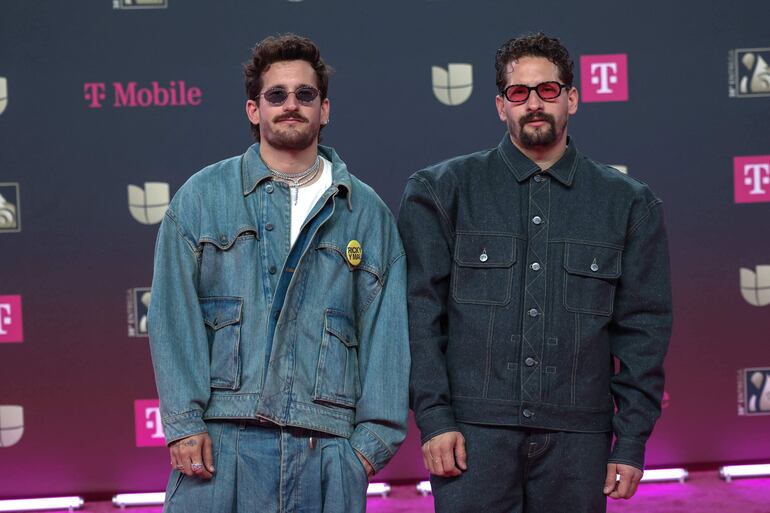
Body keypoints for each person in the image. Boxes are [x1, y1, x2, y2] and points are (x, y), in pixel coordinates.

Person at [398, 32, 672, 513]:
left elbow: (643, 332)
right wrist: (436, 419)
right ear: (501, 105)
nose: (534, 104)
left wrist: (630, 442)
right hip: (473, 438)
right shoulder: (442, 191)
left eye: (547, 91)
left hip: (578, 444)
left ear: (572, 98)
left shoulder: (629, 203)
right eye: (519, 93)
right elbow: (418, 317)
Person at [148, 33, 409, 513]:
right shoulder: (201, 198)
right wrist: (184, 425)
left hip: (326, 451)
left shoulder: (366, 213)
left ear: (324, 109)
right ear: (254, 110)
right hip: (219, 447)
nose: (292, 105)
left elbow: (387, 336)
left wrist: (366, 450)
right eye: (277, 95)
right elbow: (171, 318)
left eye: (305, 95)